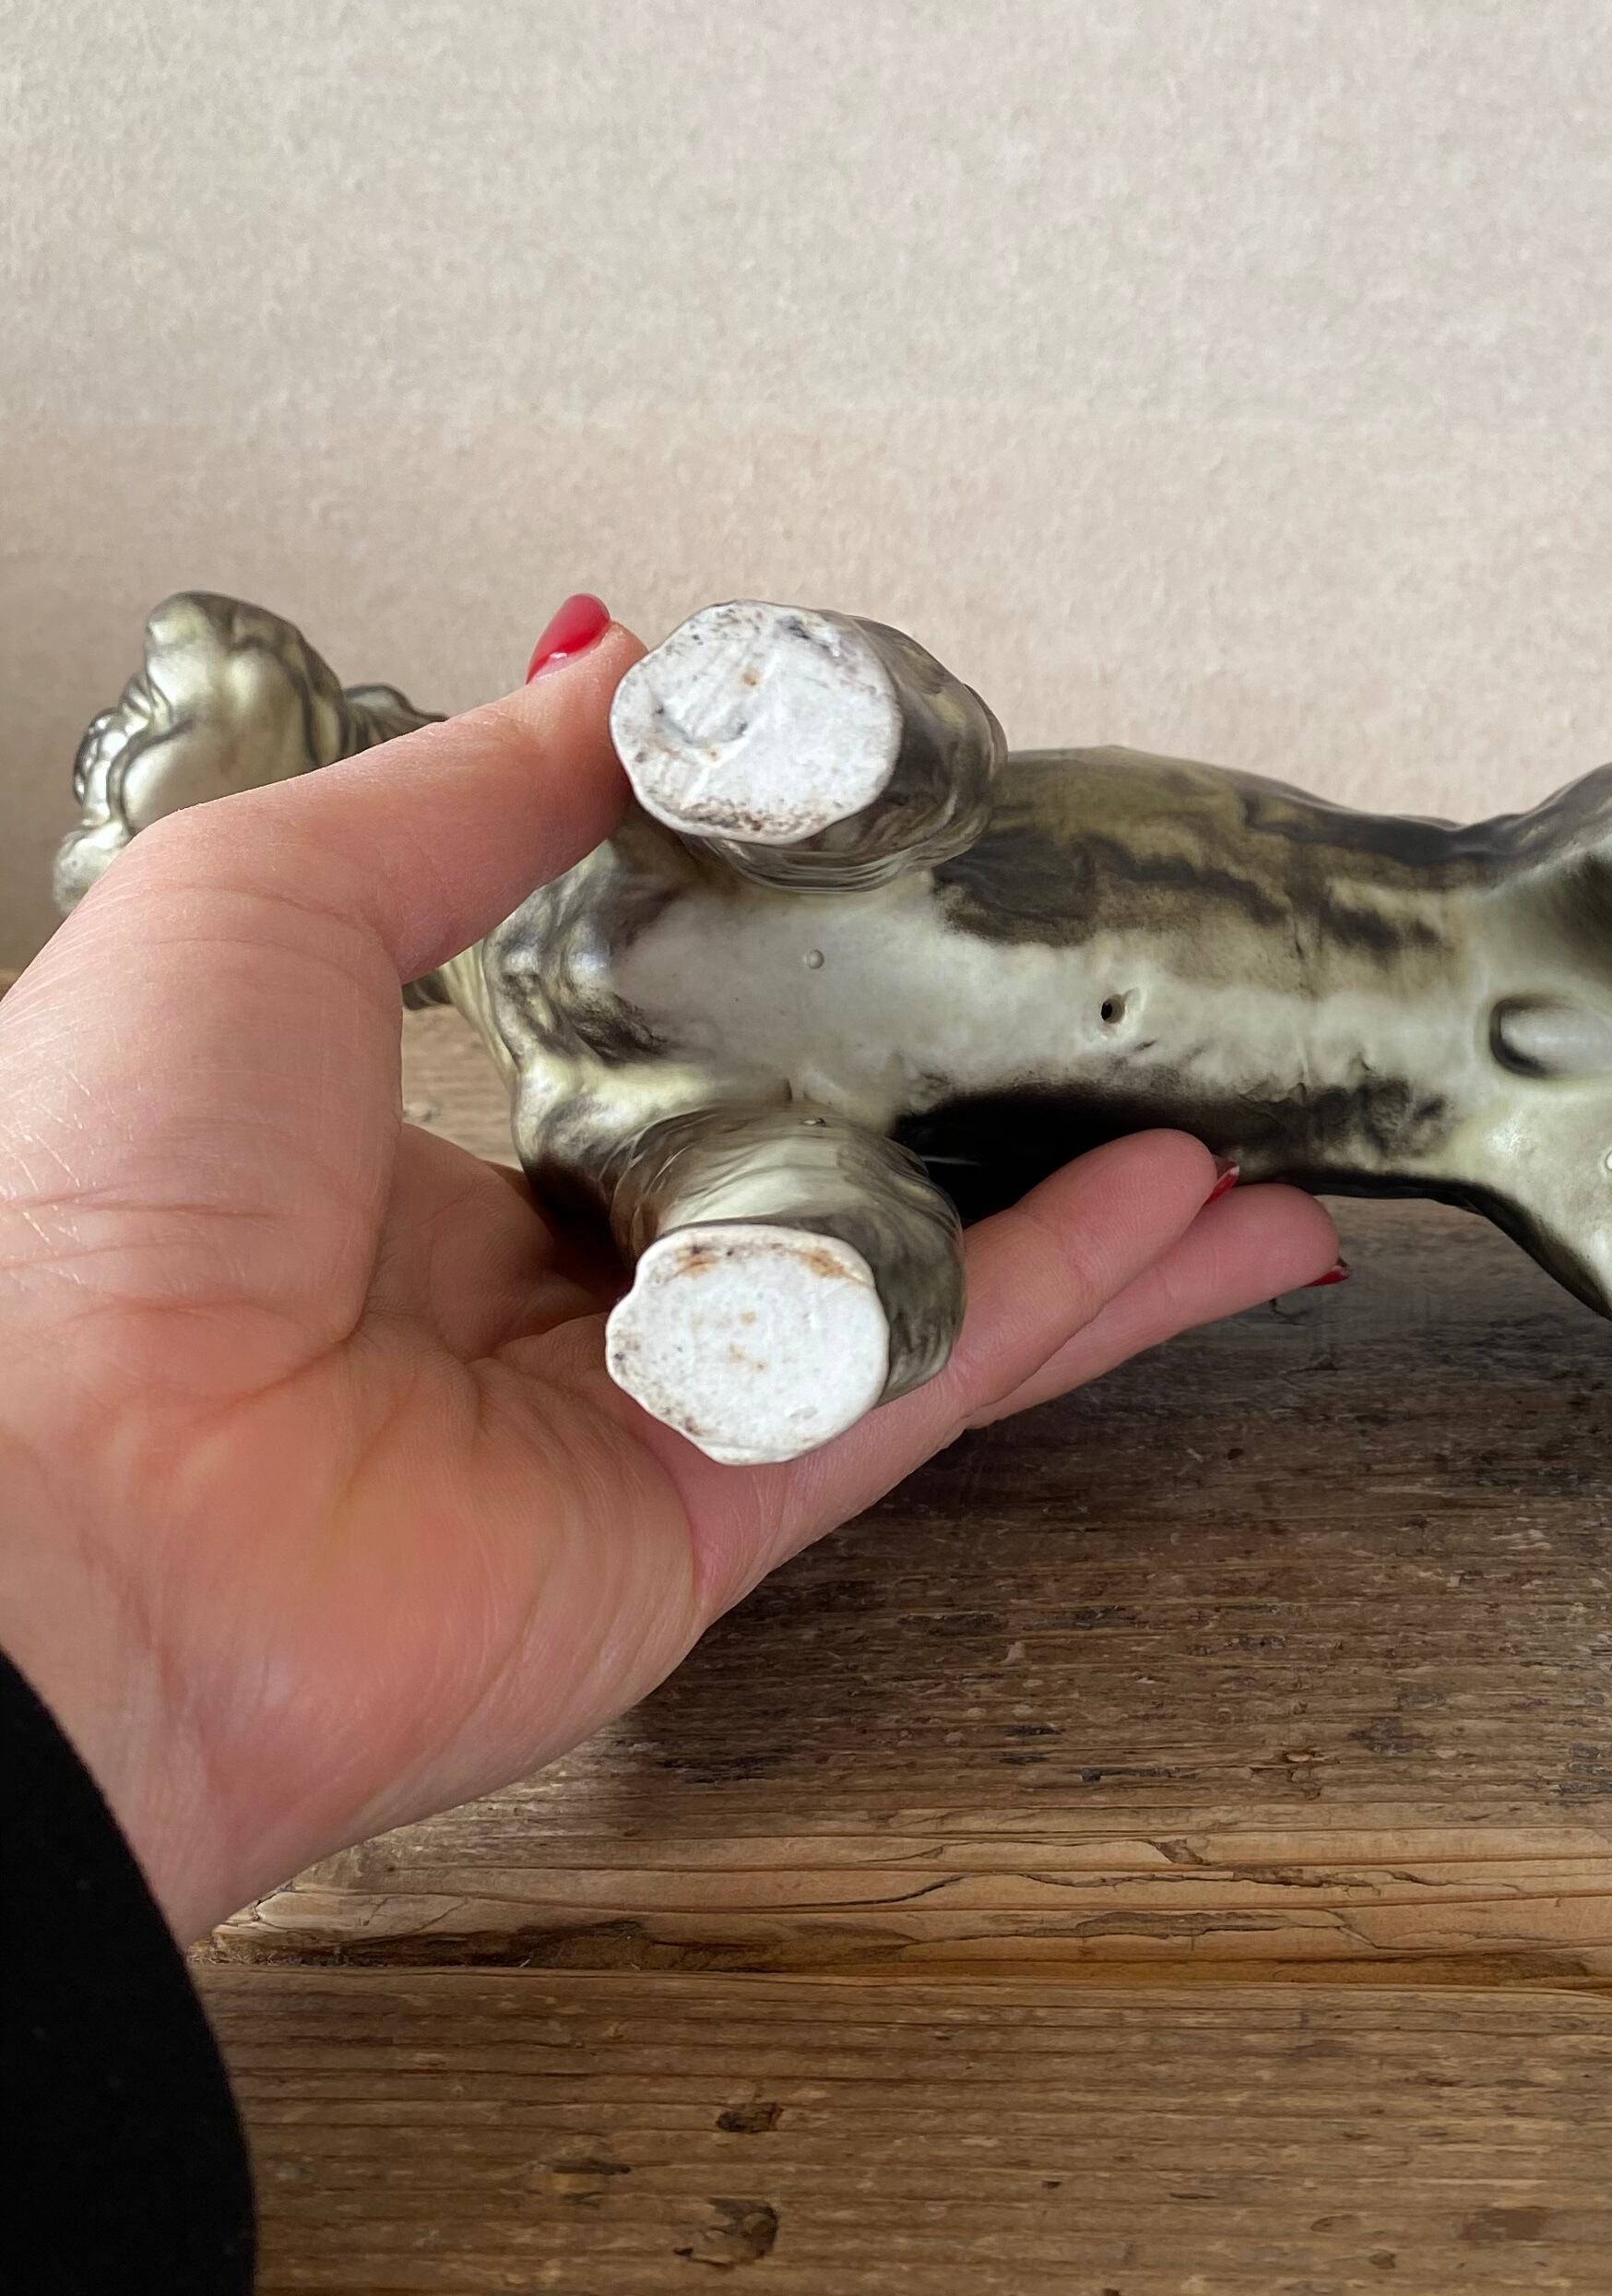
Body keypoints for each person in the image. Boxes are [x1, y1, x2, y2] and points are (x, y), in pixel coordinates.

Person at [0, 600, 1343, 2292]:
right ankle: (802, 1282)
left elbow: (955, 776)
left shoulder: (606, 817)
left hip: (971, 867)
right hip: (704, 1139)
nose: (116, 754)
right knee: (768, 1194)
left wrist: (787, 742)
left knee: (877, 818)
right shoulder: (571, 1122)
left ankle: (831, 772)